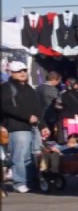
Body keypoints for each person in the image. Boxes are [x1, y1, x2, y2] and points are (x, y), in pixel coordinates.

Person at [1, 60, 46, 193]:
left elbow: (38, 108)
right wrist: (26, 117)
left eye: (24, 70)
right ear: (11, 73)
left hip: (32, 127)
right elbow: (5, 107)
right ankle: (19, 182)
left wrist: (43, 125)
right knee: (19, 156)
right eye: (18, 71)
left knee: (31, 156)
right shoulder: (6, 87)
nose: (22, 73)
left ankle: (31, 180)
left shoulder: (30, 88)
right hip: (17, 127)